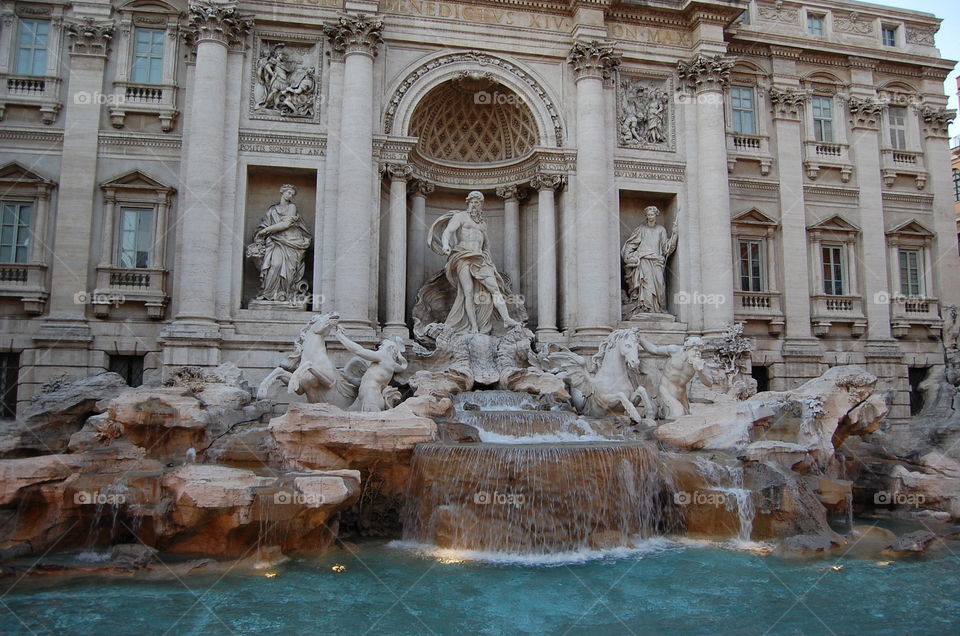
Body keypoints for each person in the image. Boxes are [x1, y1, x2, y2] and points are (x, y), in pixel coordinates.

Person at [424, 191, 520, 335]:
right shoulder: (460, 217)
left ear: (481, 205)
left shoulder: (482, 224)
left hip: (480, 259)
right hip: (463, 256)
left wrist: (488, 258)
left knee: (495, 289)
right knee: (467, 292)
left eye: (478, 202)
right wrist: (445, 244)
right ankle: (473, 326)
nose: (475, 204)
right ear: (468, 203)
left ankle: (506, 319)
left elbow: (486, 245)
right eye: (473, 202)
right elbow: (448, 232)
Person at [250, 184, 311, 302]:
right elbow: (264, 224)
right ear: (282, 192)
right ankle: (268, 294)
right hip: (275, 241)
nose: (290, 195)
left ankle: (285, 294)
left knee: (288, 270)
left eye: (292, 194)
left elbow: (286, 224)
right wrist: (262, 231)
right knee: (275, 265)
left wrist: (266, 230)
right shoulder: (272, 210)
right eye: (288, 193)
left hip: (291, 241)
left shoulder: (292, 207)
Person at [622, 205, 678, 315]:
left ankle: (658, 309)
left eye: (652, 214)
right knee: (646, 285)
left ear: (656, 215)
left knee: (659, 285)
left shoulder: (661, 229)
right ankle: (646, 308)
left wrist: (675, 234)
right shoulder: (641, 229)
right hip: (644, 260)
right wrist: (629, 256)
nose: (650, 217)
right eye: (648, 215)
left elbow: (666, 248)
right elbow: (631, 244)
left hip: (657, 261)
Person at [335, 328, 407, 411]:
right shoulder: (384, 364)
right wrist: (348, 378)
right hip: (363, 399)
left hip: (371, 399)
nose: (379, 346)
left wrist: (340, 336)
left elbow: (359, 351)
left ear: (390, 348)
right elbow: (366, 381)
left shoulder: (384, 357)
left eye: (382, 345)